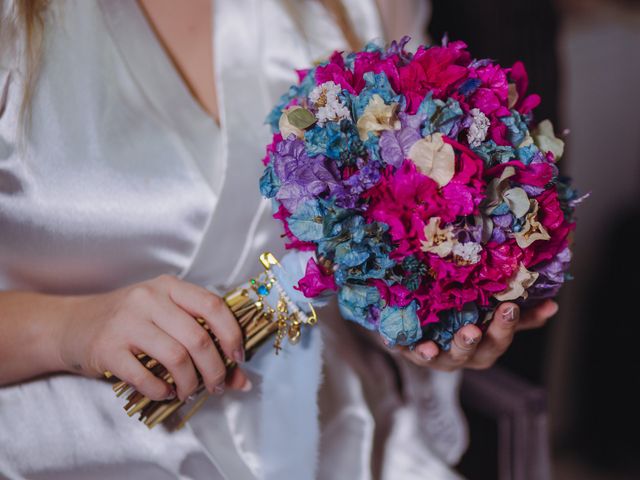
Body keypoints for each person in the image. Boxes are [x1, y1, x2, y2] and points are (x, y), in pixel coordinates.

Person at [0, 1, 558, 478]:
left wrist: (420, 321)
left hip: (330, 437)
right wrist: (69, 329)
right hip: (70, 449)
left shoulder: (359, 7)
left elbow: (389, 231)